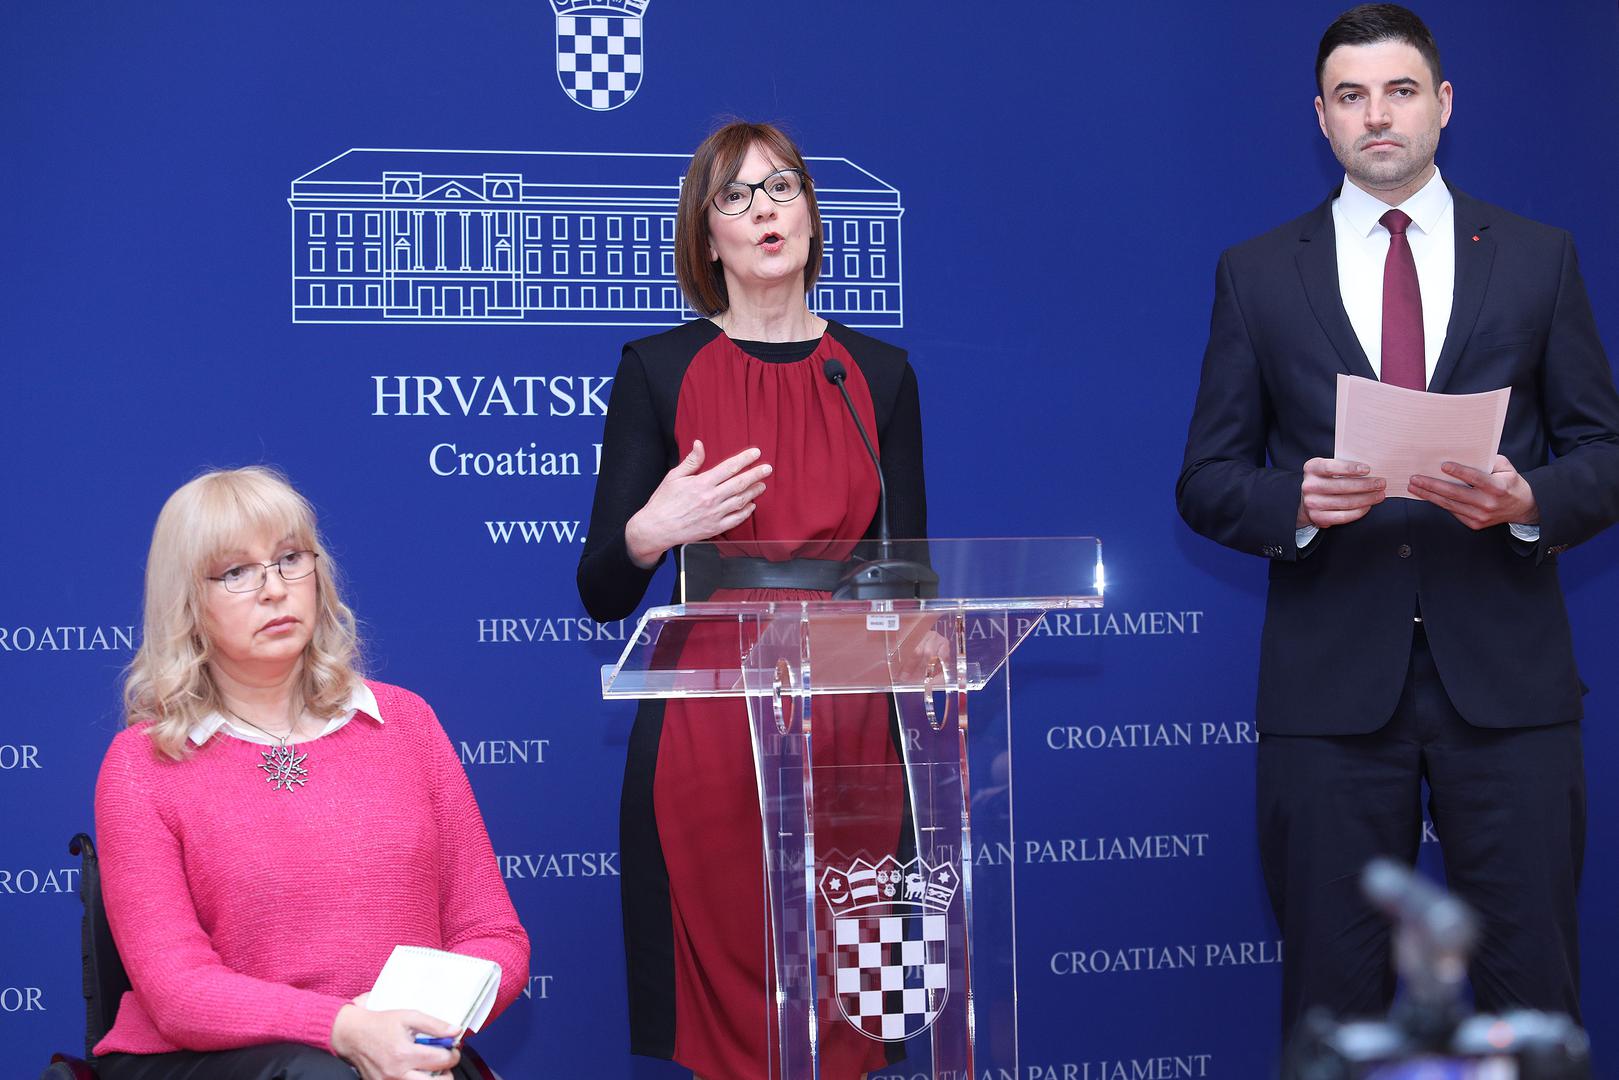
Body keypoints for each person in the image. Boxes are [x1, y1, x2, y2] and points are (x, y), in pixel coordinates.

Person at [1177, 2, 1619, 1040]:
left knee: (1531, 1005)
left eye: (1399, 90)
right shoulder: (1255, 272)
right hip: (1328, 695)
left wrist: (1528, 501)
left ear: (1442, 104)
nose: (1376, 115)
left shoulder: (1537, 256)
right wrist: (1291, 502)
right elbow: (1205, 479)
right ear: (1321, 118)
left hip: (1507, 685)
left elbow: (1601, 453)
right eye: (1350, 95)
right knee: (1334, 1014)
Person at [578, 120, 926, 1079]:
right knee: (737, 1017)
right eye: (734, 196)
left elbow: (909, 574)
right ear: (707, 237)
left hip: (853, 718)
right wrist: (653, 529)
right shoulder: (659, 371)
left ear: (811, 215)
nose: (764, 210)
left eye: (782, 187)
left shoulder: (877, 375)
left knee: (849, 1000)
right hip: (711, 721)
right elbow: (601, 588)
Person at [93, 466, 530, 1080]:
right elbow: (176, 992)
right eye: (236, 572)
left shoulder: (406, 723)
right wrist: (345, 1029)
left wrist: (410, 1030)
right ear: (186, 603)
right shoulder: (142, 763)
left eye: (290, 559)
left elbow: (493, 936)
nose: (274, 589)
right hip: (210, 1061)